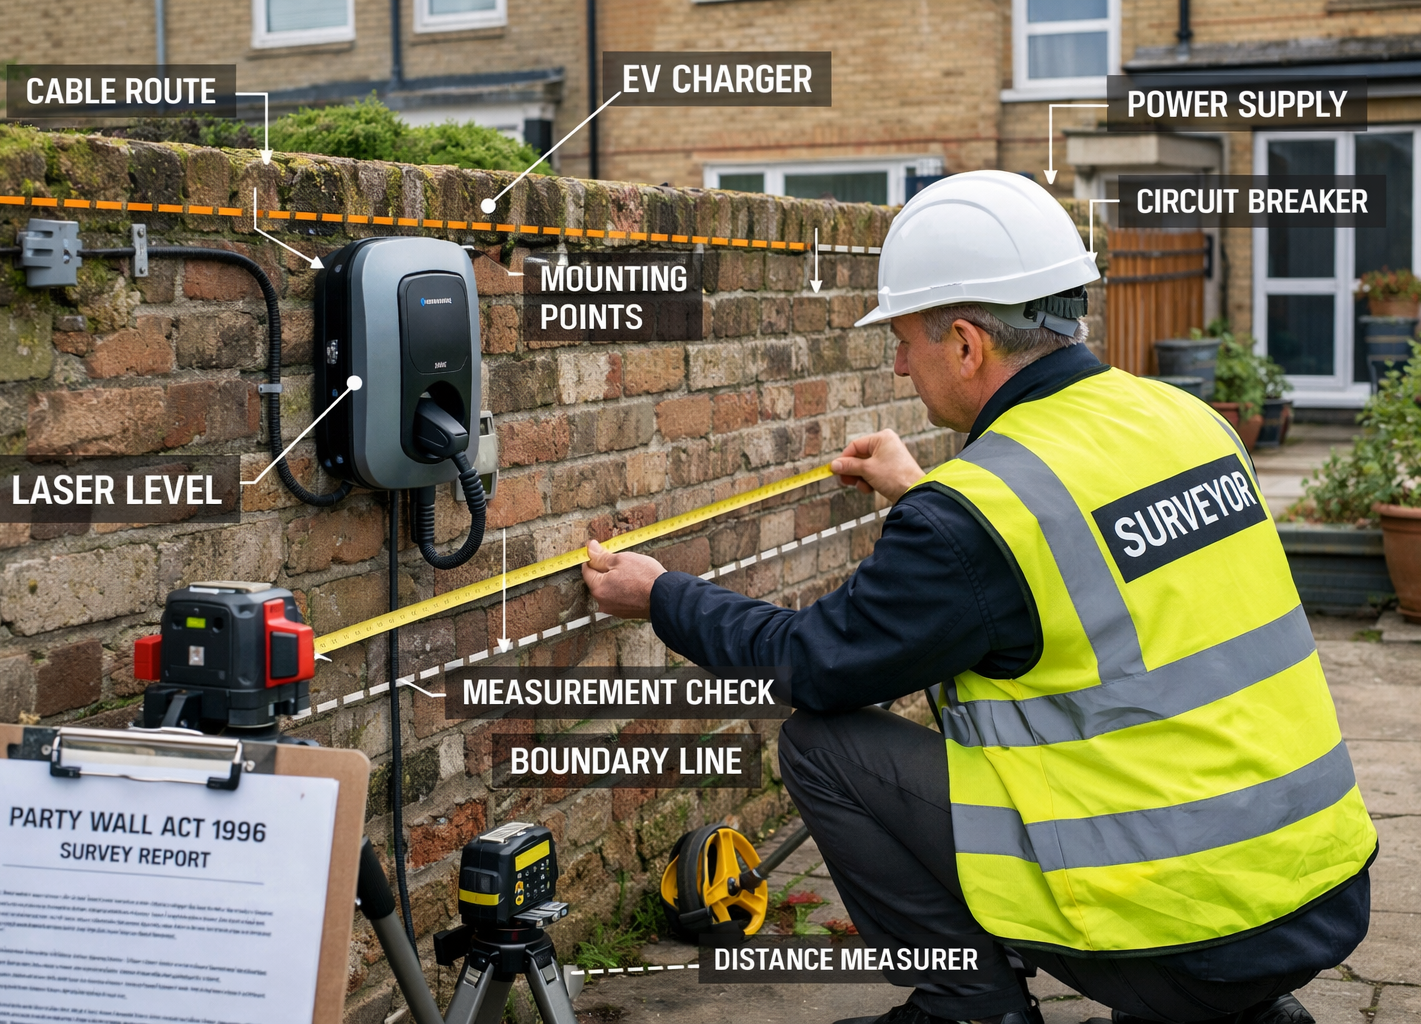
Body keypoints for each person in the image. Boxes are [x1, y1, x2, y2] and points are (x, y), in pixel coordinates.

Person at [581, 171, 1376, 1024]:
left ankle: (969, 1007)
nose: (898, 362)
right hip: (1314, 891)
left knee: (823, 745)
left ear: (966, 345)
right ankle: (1238, 1012)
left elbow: (813, 664)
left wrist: (662, 595)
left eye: (904, 340)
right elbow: (1078, 547)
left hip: (1173, 929)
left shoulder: (972, 516)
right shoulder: (1187, 420)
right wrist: (925, 493)